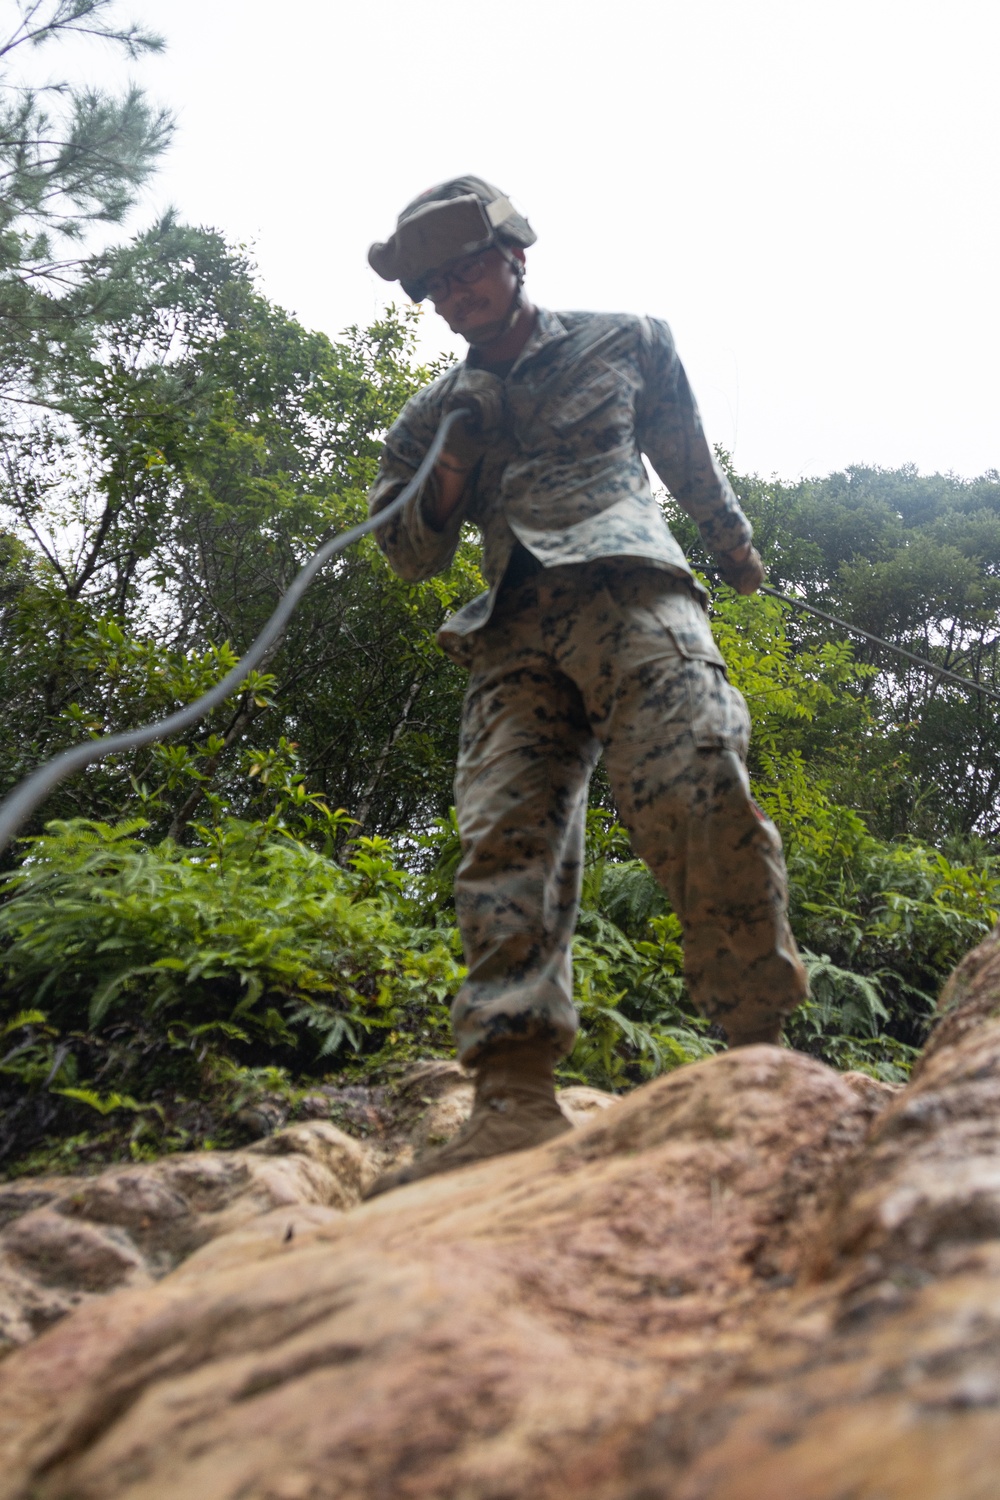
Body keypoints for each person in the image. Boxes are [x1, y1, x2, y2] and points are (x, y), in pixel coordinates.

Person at [364, 177, 807, 1197]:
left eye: (470, 265)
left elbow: (683, 449)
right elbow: (405, 554)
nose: (458, 291)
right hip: (510, 630)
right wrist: (447, 467)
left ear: (515, 256)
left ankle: (758, 1052)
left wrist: (731, 542)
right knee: (501, 835)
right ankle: (510, 1099)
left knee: (697, 776)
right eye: (436, 283)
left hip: (631, 588)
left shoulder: (625, 338)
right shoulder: (431, 411)